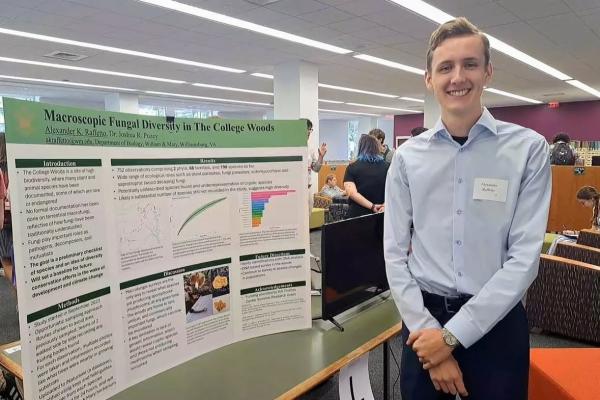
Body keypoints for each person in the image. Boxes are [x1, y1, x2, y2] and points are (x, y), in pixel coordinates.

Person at [384, 17, 551, 400]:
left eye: (469, 64)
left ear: (487, 72)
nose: (457, 76)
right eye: (445, 67)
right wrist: (433, 338)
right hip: (424, 323)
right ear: (429, 78)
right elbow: (394, 254)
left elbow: (524, 259)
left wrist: (452, 337)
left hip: (497, 322)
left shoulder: (528, 150)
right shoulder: (407, 159)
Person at [343, 134, 389, 219]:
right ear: (376, 147)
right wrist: (384, 205)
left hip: (357, 215)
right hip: (382, 214)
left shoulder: (352, 167)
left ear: (361, 147)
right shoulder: (387, 166)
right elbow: (394, 191)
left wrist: (372, 206)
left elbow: (352, 193)